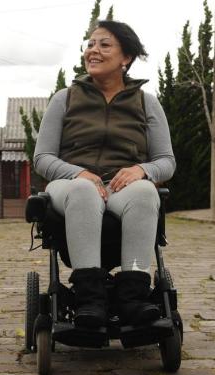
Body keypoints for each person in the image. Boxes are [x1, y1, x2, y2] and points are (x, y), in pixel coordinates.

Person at [33, 20, 176, 328]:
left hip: (121, 187)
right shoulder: (65, 98)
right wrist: (78, 173)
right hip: (70, 186)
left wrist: (142, 170)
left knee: (145, 192)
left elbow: (166, 161)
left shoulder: (145, 102)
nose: (93, 51)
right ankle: (89, 298)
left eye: (104, 45)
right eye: (90, 44)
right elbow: (42, 158)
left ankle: (134, 297)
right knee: (84, 191)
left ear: (125, 58)